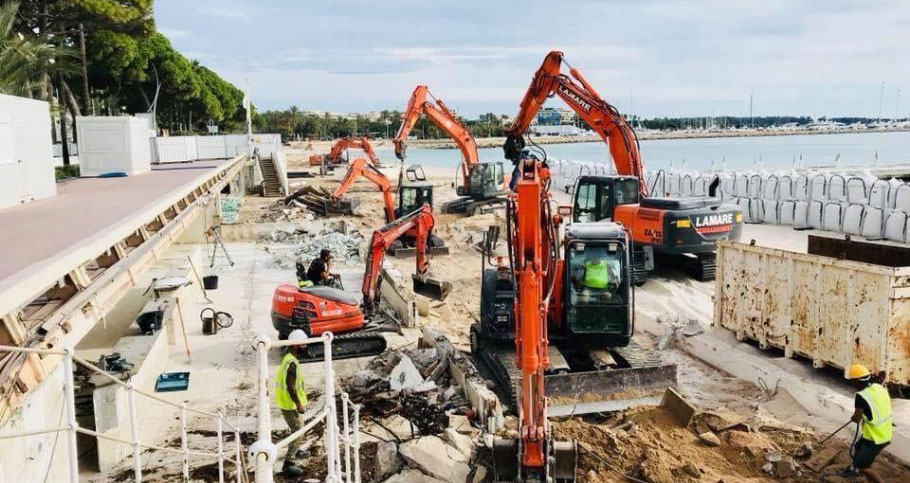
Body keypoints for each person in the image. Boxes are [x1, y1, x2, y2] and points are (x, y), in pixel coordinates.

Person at [842, 363, 891, 483]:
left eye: (852, 381)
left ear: (856, 381)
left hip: (875, 438)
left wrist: (854, 418)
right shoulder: (878, 387)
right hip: (884, 431)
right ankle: (855, 468)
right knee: (858, 447)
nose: (852, 384)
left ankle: (866, 472)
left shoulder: (861, 396)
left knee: (865, 467)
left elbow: (857, 418)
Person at [273, 330, 309, 476]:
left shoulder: (289, 357)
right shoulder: (292, 363)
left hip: (289, 402)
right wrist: (299, 404)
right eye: (303, 343)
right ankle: (289, 463)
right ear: (296, 345)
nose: (305, 345)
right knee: (298, 430)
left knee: (301, 428)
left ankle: (296, 449)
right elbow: (291, 386)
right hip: (290, 404)